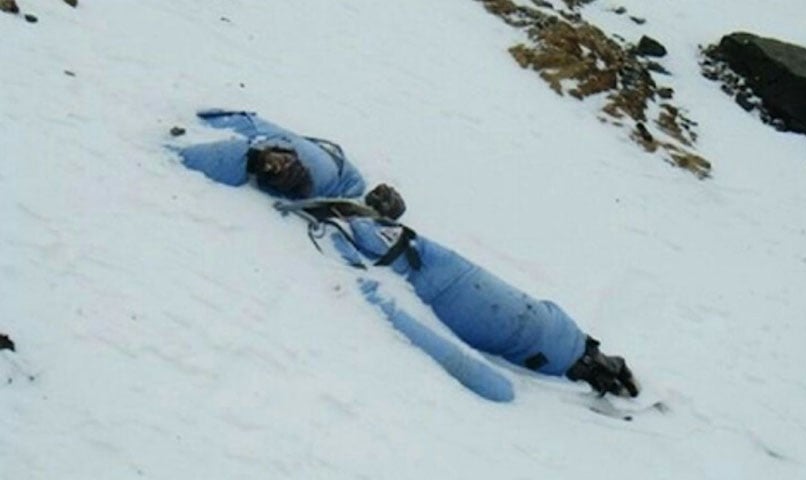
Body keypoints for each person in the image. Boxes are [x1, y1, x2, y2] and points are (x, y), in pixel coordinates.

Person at [175, 111, 638, 397]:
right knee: (516, 323)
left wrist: (382, 208)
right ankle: (576, 360)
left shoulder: (332, 177)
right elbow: (390, 308)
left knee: (527, 315)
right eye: (272, 170)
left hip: (439, 263)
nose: (281, 168)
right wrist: (477, 376)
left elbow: (246, 129)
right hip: (434, 282)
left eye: (279, 161)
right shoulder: (329, 229)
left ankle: (584, 354)